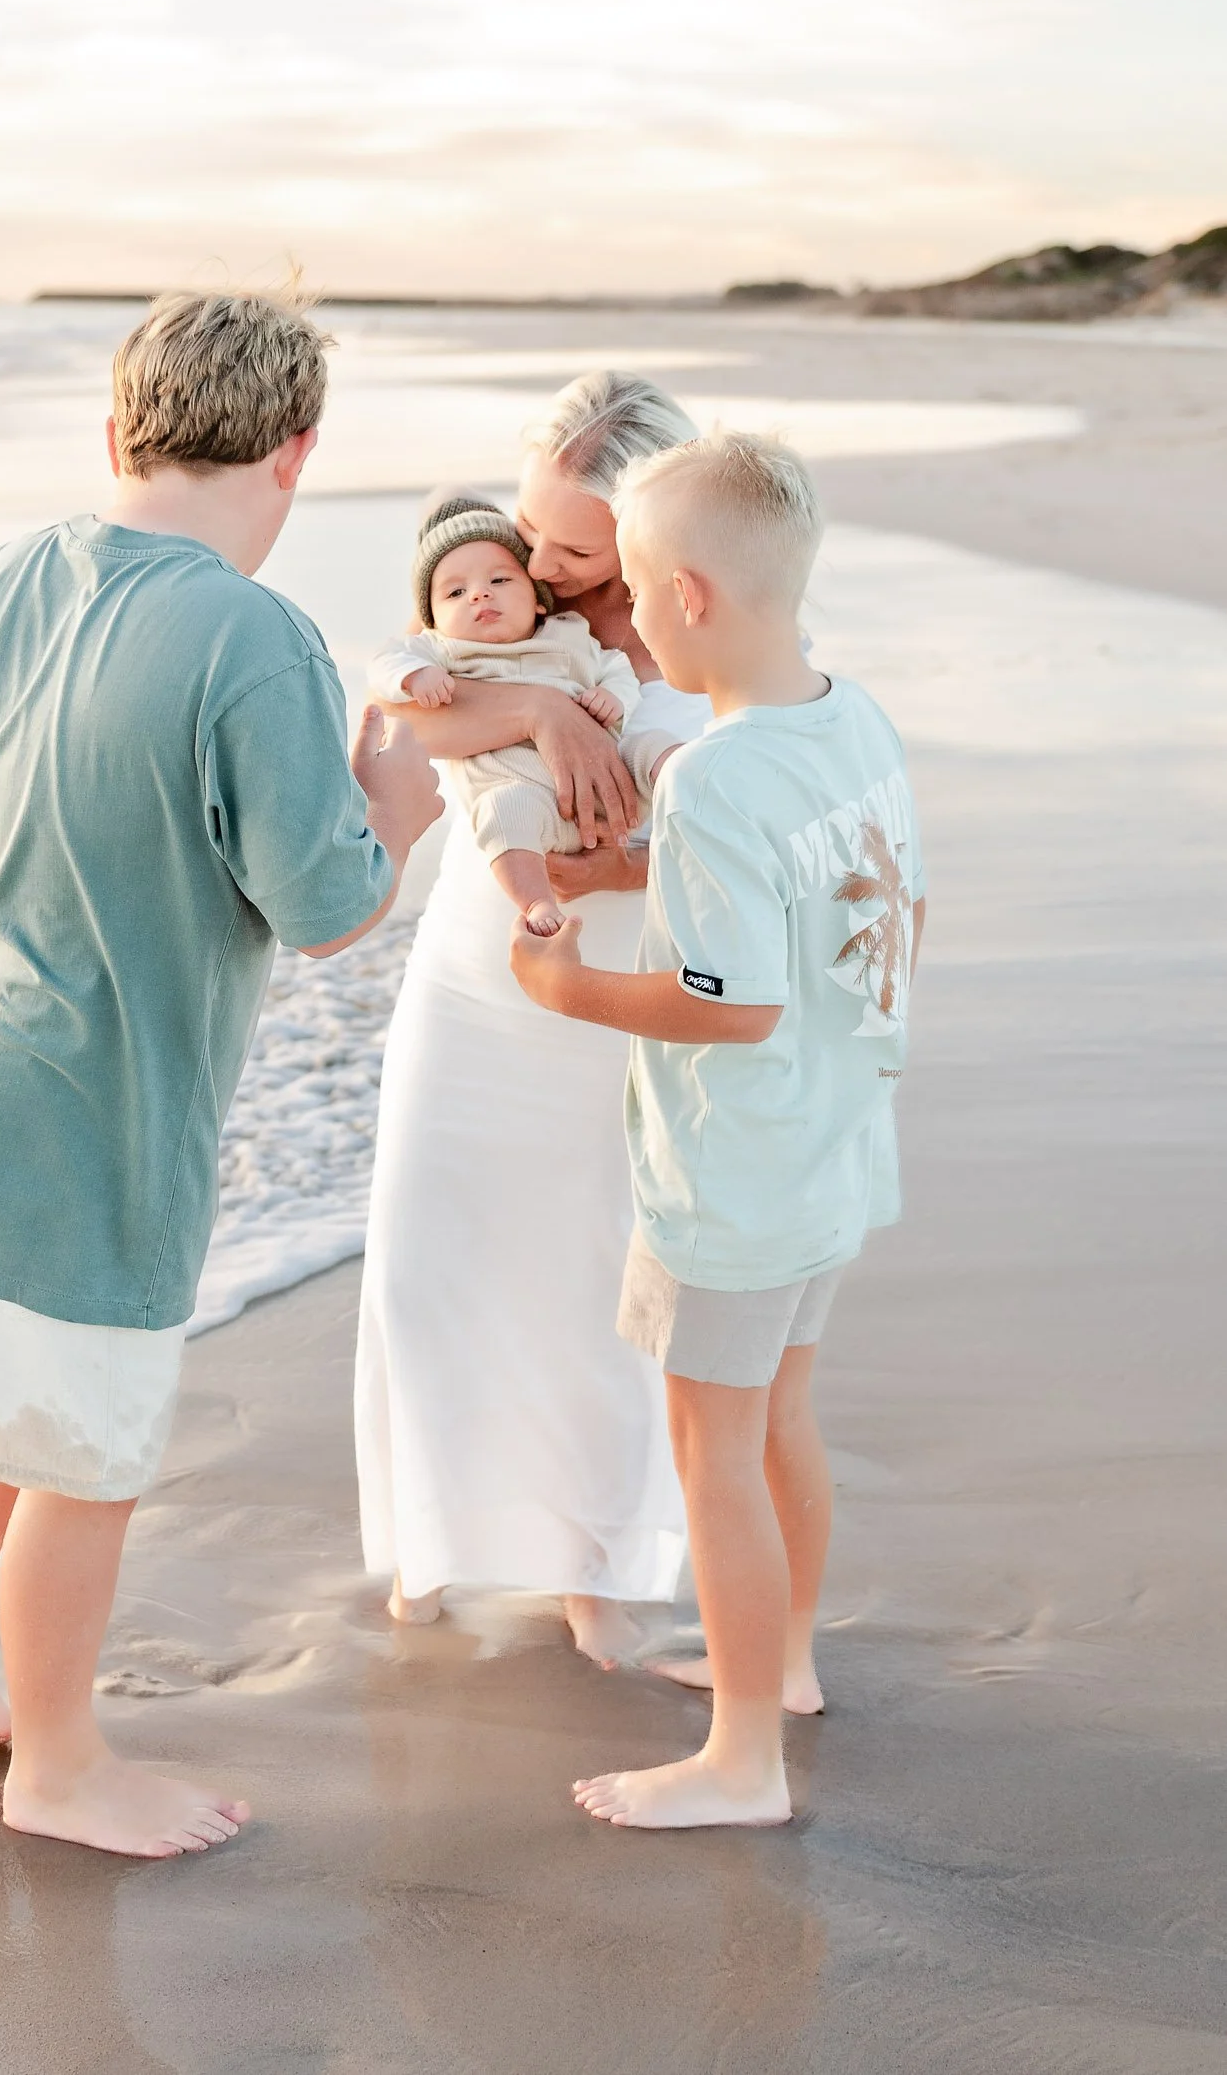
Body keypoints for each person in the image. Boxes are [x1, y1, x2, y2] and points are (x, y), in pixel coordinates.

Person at [0, 288, 442, 1860]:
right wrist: (396, 795)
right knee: (87, 1448)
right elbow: (327, 909)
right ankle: (58, 1766)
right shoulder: (257, 637)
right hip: (89, 1102)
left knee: (15, 1390)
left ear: (117, 426)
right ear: (295, 453)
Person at [509, 431, 925, 1828]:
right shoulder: (851, 716)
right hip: (838, 1142)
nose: (618, 613)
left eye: (625, 585)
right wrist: (636, 863)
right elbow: (855, 905)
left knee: (714, 1456)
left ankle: (741, 1759)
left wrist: (564, 983)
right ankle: (784, 1664)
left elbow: (727, 1005)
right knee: (780, 1418)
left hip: (735, 1178)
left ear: (685, 595)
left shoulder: (713, 775)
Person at [354, 373, 707, 1665]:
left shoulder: (699, 624)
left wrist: (600, 864)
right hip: (471, 966)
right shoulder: (500, 605)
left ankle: (595, 1564)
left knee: (594, 1278)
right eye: (531, 526)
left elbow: (725, 817)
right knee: (422, 1257)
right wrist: (544, 709)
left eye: (570, 544)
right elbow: (401, 696)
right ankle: (428, 1537)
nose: (536, 560)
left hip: (615, 986)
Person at [365, 495, 676, 935]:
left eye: (500, 579)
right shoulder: (443, 649)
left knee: (653, 746)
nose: (479, 593)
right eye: (455, 593)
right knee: (500, 811)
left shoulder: (568, 634)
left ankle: (687, 781)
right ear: (431, 618)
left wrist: (614, 696)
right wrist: (415, 676)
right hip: (531, 808)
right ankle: (535, 903)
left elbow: (615, 668)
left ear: (539, 601)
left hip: (614, 792)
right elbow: (383, 663)